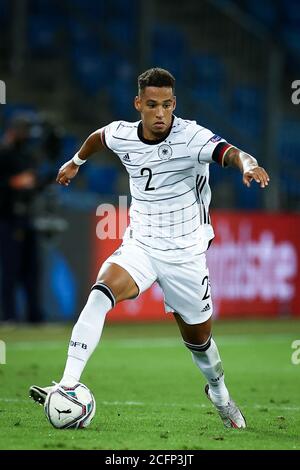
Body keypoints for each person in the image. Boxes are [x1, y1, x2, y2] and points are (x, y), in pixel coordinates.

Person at [29, 68, 270, 428]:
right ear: (138, 103)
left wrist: (248, 165)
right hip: (141, 243)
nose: (161, 113)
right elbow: (99, 138)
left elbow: (230, 152)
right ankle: (67, 384)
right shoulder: (123, 134)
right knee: (100, 293)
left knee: (200, 342)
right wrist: (75, 162)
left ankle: (220, 395)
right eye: (153, 105)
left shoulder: (192, 136)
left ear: (175, 104)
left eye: (168, 105)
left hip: (185, 254)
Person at [0, 115, 44, 324]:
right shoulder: (3, 154)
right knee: (10, 269)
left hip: (27, 217)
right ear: (13, 131)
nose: (26, 136)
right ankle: (9, 316)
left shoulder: (27, 155)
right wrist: (13, 182)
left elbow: (35, 183)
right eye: (23, 131)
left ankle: (34, 317)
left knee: (32, 270)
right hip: (7, 219)